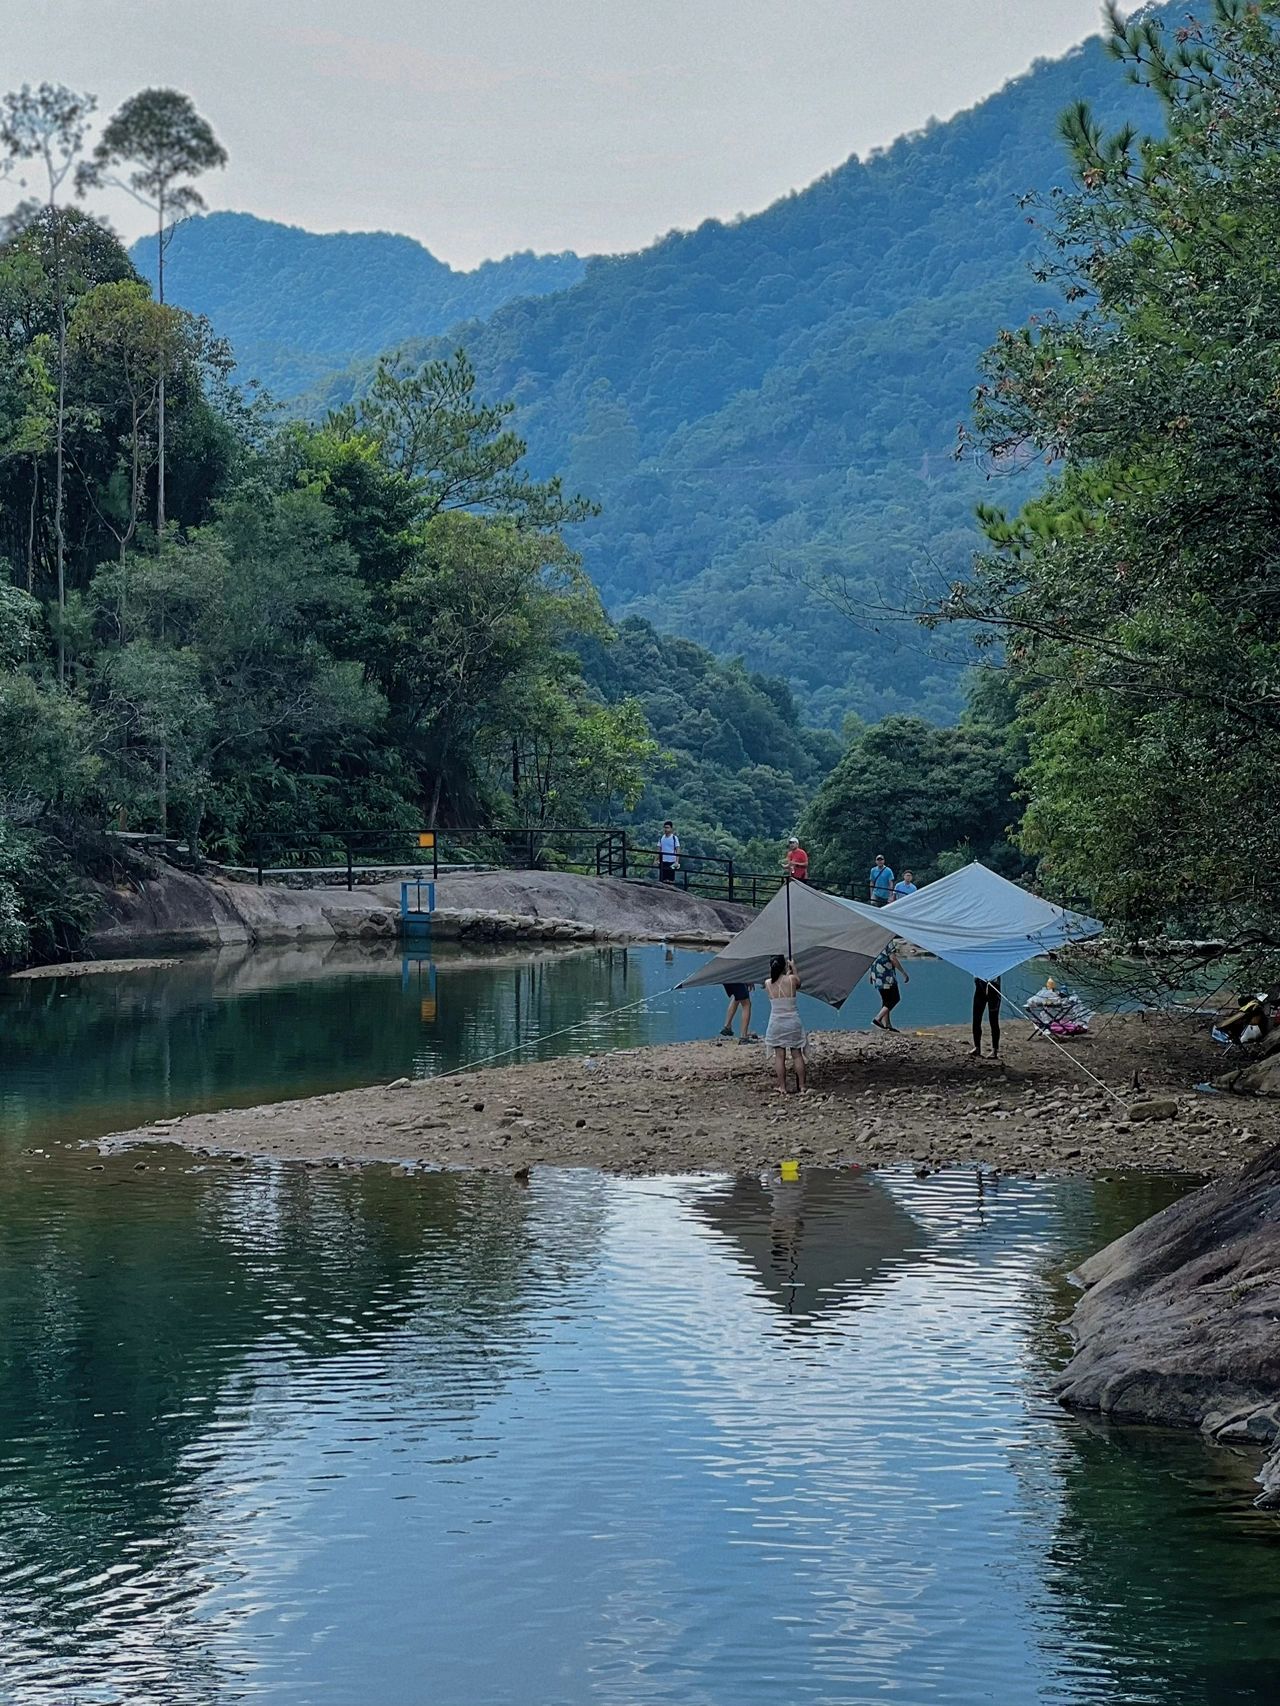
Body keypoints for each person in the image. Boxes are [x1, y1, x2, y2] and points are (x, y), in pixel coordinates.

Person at [764, 954, 807, 1093]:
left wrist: (786, 974)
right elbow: (798, 984)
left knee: (779, 1056)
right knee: (797, 1054)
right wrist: (794, 968)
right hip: (792, 1021)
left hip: (776, 1023)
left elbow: (779, 982)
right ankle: (802, 1085)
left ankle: (782, 1087)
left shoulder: (767, 983)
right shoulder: (792, 979)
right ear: (784, 966)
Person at [869, 941, 909, 1030]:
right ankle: (877, 1018)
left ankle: (887, 1025)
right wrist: (903, 972)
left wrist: (871, 975)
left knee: (886, 1000)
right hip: (886, 976)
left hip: (877, 975)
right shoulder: (887, 942)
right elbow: (893, 958)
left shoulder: (875, 943)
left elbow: (872, 959)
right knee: (895, 998)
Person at [970, 975, 1002, 1058]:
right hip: (980, 990)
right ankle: (977, 1047)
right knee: (976, 1019)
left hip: (994, 990)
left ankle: (994, 1051)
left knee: (993, 1021)